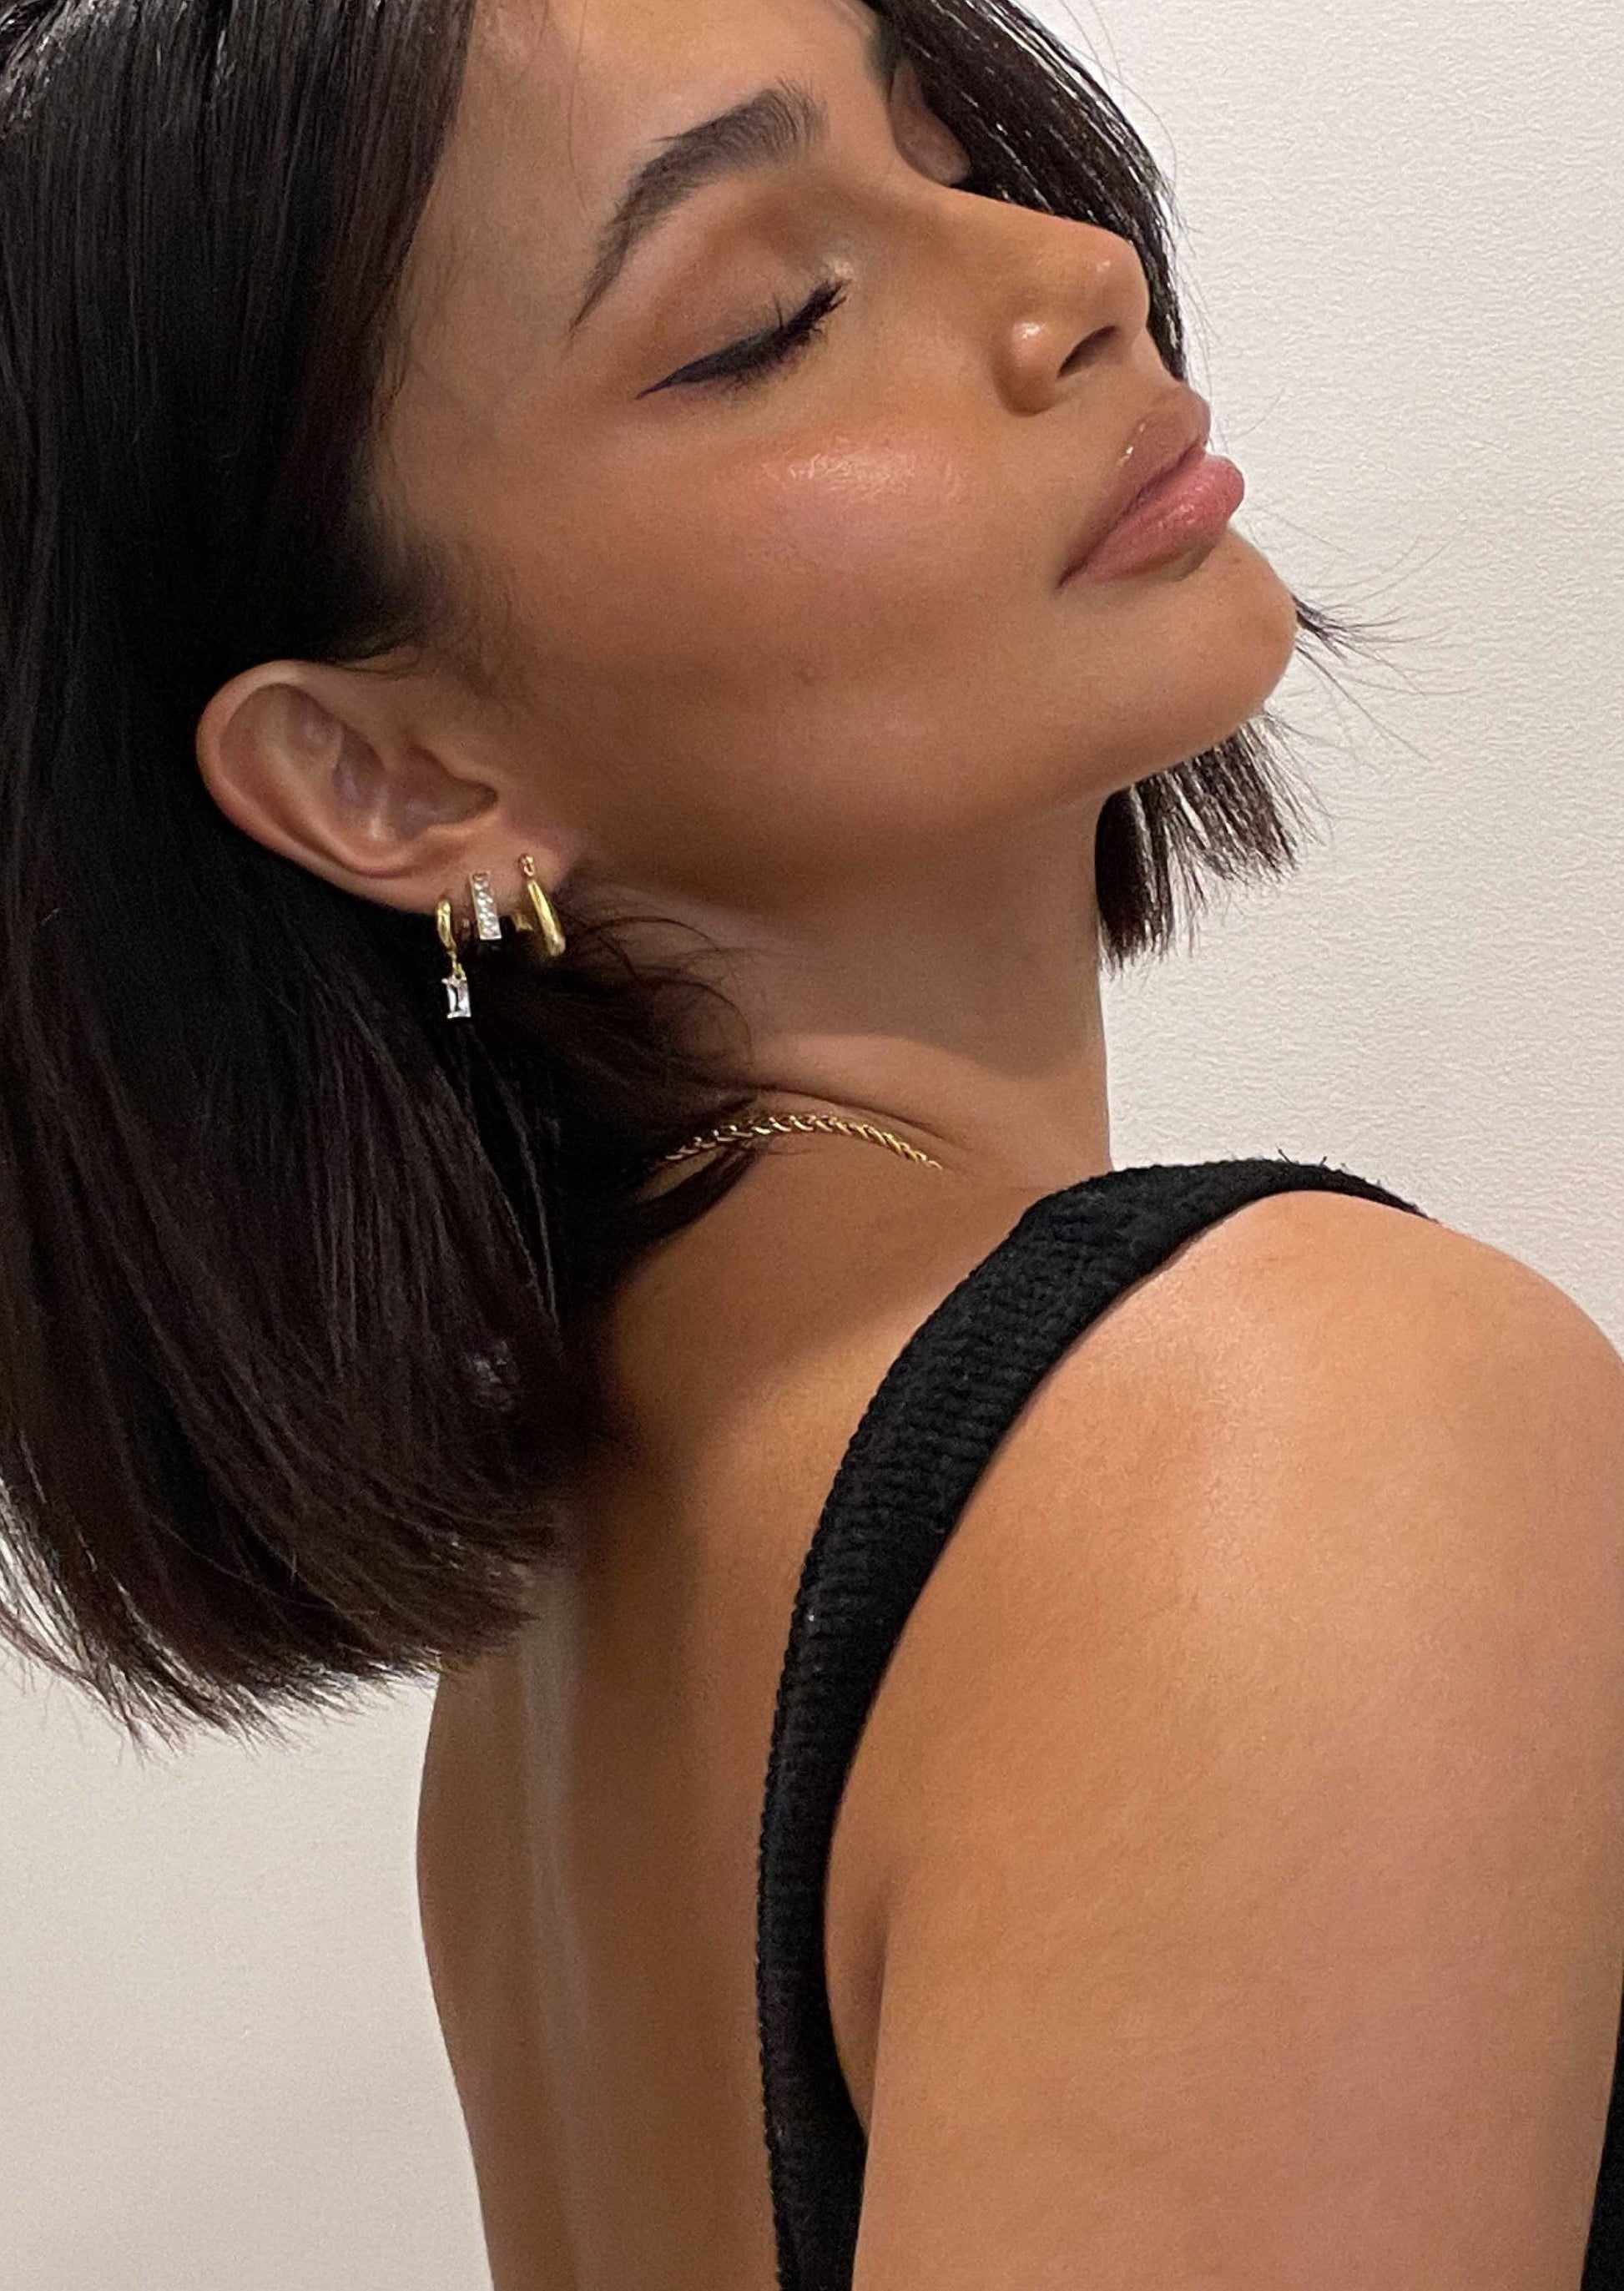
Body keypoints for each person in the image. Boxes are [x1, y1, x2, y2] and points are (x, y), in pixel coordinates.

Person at [1, 0, 1621, 2283]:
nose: (1064, 276)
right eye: (765, 321)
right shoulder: (1278, 1426)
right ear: (395, 777)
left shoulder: (557, 1664)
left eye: (942, 136)